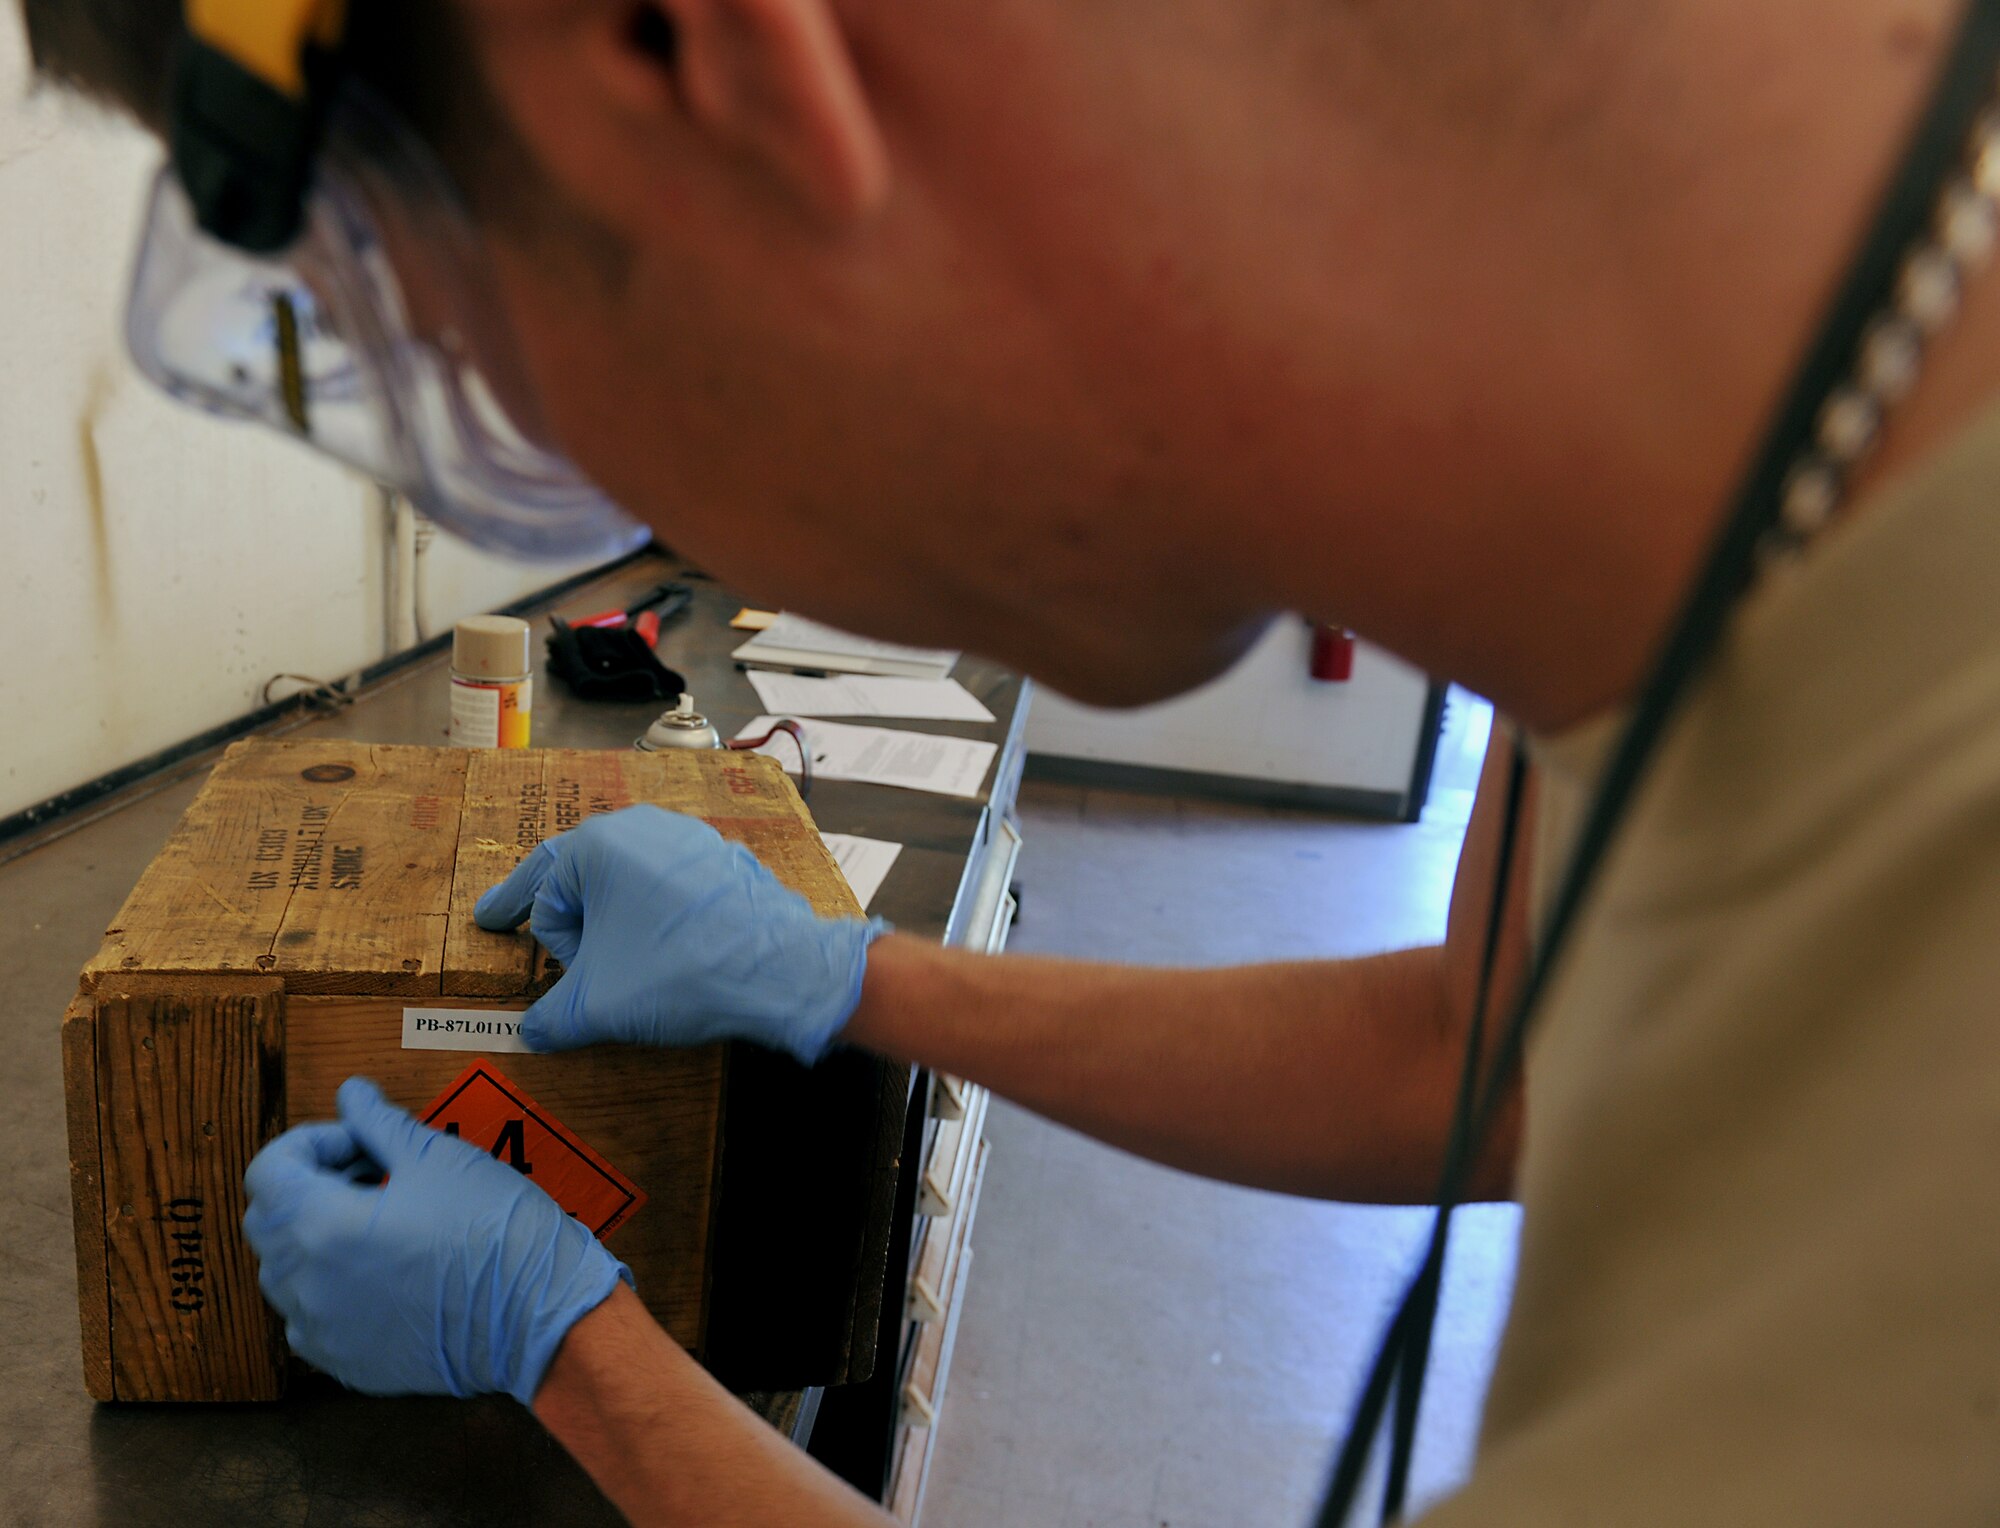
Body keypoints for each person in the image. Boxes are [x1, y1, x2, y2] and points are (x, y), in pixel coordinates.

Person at [20, 0, 2000, 1521]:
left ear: (697, 49)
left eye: (494, 367)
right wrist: (851, 975)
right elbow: (1491, 1052)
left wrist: (570, 1351)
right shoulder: (1739, 536)